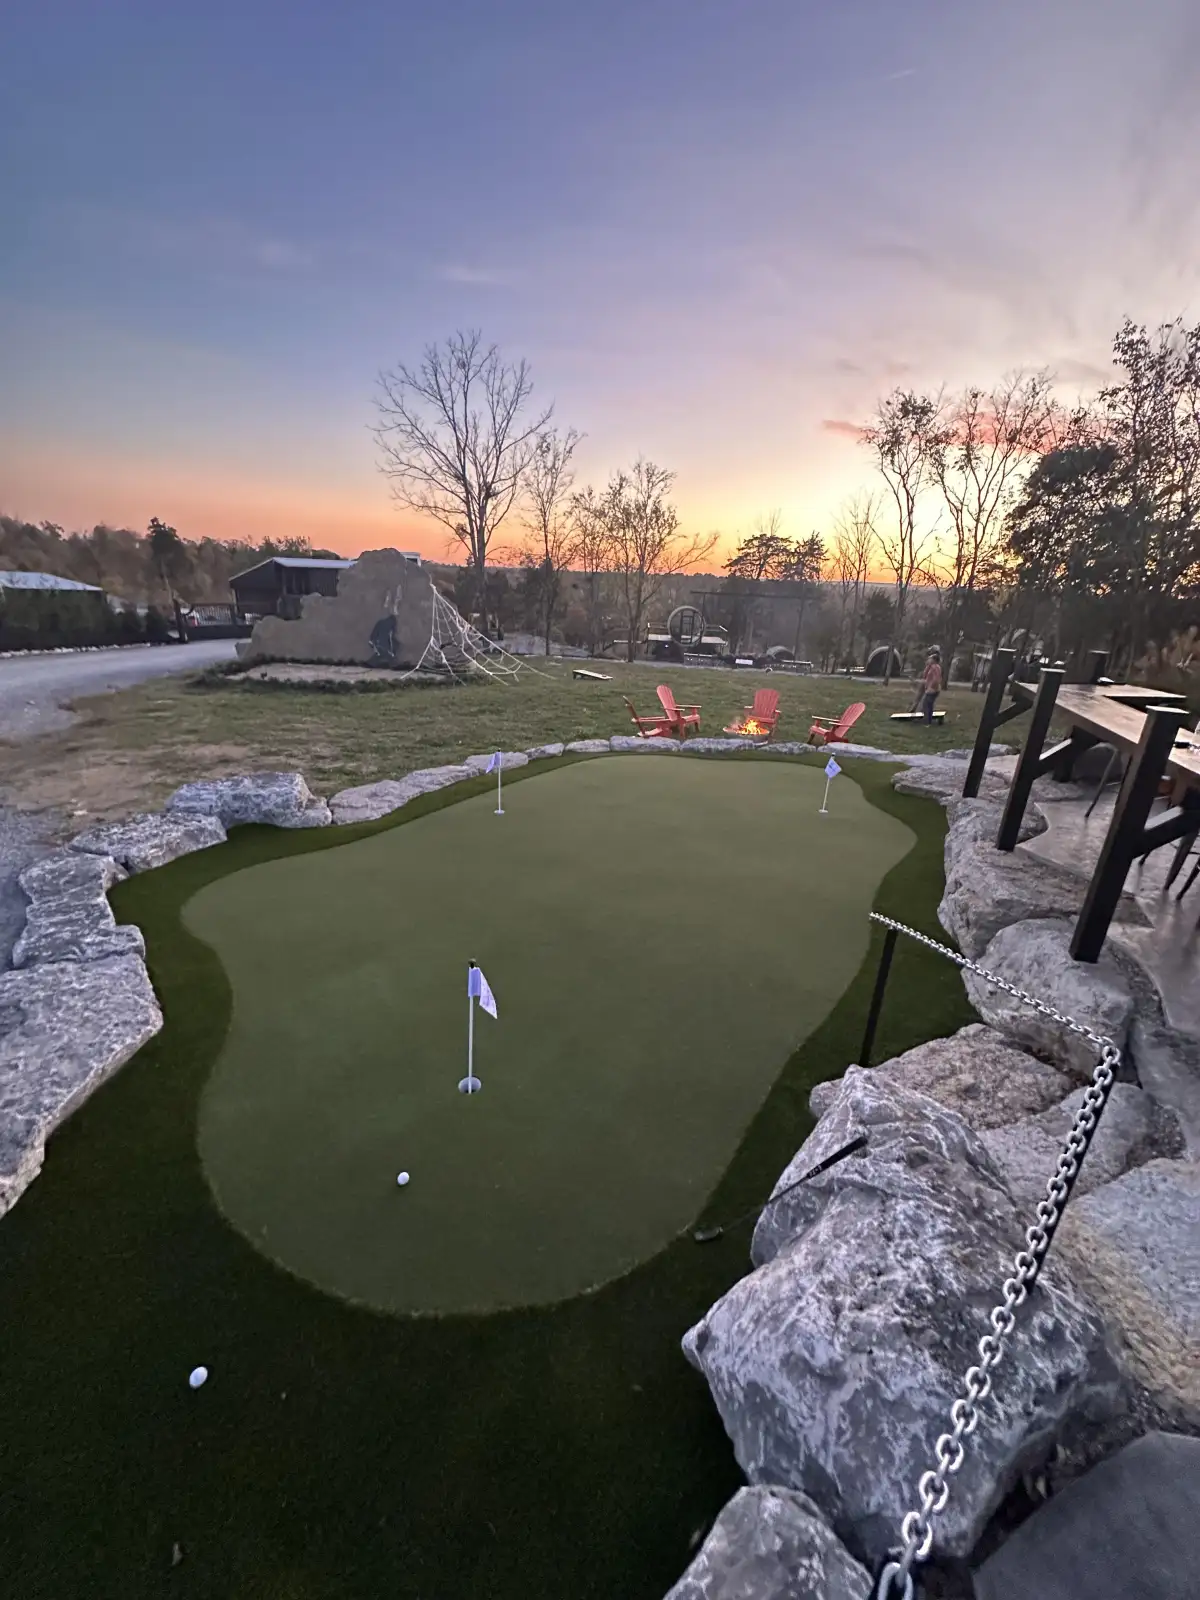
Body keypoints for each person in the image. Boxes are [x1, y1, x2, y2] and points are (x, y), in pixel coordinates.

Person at [920, 647, 942, 724]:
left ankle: (926, 721)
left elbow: (936, 679)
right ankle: (928, 720)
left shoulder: (935, 667)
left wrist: (931, 687)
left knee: (926, 705)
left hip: (932, 690)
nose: (928, 660)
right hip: (933, 689)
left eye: (930, 659)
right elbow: (926, 676)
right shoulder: (933, 667)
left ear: (934, 660)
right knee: (929, 705)